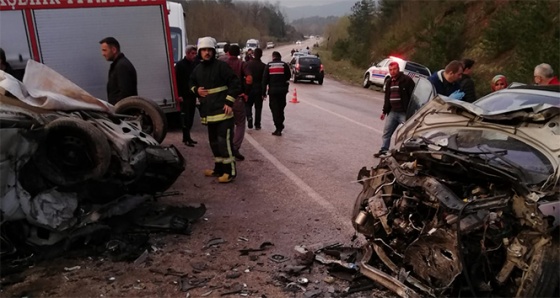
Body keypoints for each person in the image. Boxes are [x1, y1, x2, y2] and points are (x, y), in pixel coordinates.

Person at [189, 37, 241, 183]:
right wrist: (196, 90)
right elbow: (190, 83)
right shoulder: (197, 69)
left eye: (209, 50)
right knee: (214, 143)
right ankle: (218, 169)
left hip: (223, 113)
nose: (207, 53)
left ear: (213, 51)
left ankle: (230, 172)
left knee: (224, 144)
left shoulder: (221, 67)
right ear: (200, 52)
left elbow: (235, 83)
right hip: (209, 114)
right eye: (204, 50)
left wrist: (229, 102)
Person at [373, 62, 415, 158]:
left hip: (404, 113)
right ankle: (384, 150)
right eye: (390, 70)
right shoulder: (389, 82)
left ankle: (406, 153)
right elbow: (387, 98)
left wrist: (412, 111)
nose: (392, 71)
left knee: (407, 133)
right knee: (387, 132)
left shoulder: (407, 80)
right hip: (393, 112)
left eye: (394, 69)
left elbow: (413, 97)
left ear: (398, 69)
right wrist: (384, 111)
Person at [224, 44, 252, 161]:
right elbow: (249, 79)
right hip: (237, 98)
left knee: (225, 123)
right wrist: (246, 92)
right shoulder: (242, 64)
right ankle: (235, 147)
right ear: (239, 53)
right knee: (240, 123)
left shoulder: (222, 63)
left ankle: (225, 147)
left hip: (224, 99)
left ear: (228, 53)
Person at [99, 37, 138, 105]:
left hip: (124, 112)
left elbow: (126, 93)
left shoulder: (122, 66)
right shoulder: (118, 65)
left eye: (104, 50)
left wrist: (117, 109)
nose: (103, 54)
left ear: (114, 50)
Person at [175, 45, 199, 147]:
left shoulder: (194, 65)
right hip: (184, 95)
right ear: (187, 53)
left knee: (191, 116)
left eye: (195, 53)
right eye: (192, 53)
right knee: (186, 117)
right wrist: (179, 95)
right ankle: (186, 138)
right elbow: (176, 81)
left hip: (192, 95)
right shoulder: (180, 65)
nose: (194, 56)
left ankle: (187, 137)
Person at [262, 51, 291, 136]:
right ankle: (280, 123)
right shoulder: (284, 65)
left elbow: (264, 80)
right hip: (282, 91)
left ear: (273, 57)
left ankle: (278, 127)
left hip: (273, 91)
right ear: (280, 57)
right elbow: (288, 76)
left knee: (274, 109)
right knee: (281, 108)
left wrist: (263, 93)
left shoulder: (269, 65)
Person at [245, 48, 266, 130]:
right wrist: (264, 92)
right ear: (261, 55)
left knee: (248, 105)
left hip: (249, 88)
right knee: (258, 107)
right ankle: (257, 124)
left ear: (254, 54)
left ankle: (249, 117)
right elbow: (264, 80)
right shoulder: (263, 66)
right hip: (259, 89)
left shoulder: (248, 64)